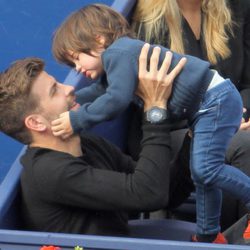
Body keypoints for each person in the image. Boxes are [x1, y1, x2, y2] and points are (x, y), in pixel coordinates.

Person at [50, 3, 250, 244]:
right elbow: (102, 91)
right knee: (203, 173)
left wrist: (76, 119)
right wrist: (71, 99)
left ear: (99, 39)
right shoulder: (118, 60)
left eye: (76, 58)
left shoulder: (118, 54)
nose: (78, 68)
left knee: (206, 169)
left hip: (213, 99)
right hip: (207, 105)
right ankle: (209, 234)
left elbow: (116, 99)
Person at [0, 45, 190, 236]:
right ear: (36, 123)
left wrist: (195, 136)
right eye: (54, 90)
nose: (69, 89)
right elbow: (148, 193)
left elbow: (165, 191)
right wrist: (155, 108)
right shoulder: (50, 172)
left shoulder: (89, 144)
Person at [132, 0, 250, 232]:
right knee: (241, 145)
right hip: (175, 129)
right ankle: (232, 237)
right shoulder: (148, 24)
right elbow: (151, 101)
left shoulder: (237, 7)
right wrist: (221, 121)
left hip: (232, 115)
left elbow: (247, 81)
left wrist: (240, 113)